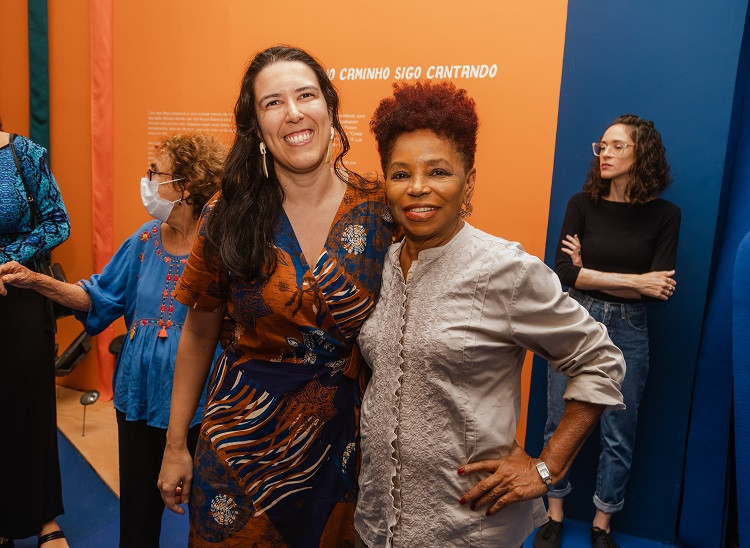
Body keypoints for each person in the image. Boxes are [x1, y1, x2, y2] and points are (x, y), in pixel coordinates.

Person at [353, 81, 627, 548]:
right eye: (400, 174)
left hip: (465, 526)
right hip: (377, 521)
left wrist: (547, 467)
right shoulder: (376, 264)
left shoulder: (505, 270)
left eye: (438, 171)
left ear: (469, 181)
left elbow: (599, 359)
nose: (417, 187)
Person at [157, 46, 396, 546]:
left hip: (342, 449)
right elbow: (198, 332)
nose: (293, 113)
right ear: (256, 126)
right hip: (239, 447)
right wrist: (176, 444)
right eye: (273, 102)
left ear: (329, 106)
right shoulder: (228, 212)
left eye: (305, 95)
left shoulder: (380, 209)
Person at [0, 133, 226, 547]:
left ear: (186, 186)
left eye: (155, 174)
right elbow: (97, 297)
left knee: (211, 522)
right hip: (137, 399)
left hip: (202, 409)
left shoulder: (221, 248)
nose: (147, 181)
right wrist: (34, 280)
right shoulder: (144, 240)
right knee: (136, 520)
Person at [534, 115, 681, 548]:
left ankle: (602, 524)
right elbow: (564, 274)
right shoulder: (582, 205)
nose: (605, 153)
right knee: (558, 422)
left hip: (629, 327)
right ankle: (553, 514)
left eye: (618, 146)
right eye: (602, 146)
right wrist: (636, 281)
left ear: (642, 154)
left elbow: (660, 291)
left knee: (619, 429)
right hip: (576, 318)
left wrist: (590, 272)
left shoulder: (665, 215)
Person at [0, 121, 70, 547]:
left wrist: (4, 260)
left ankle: (44, 517)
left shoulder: (23, 153)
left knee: (28, 405)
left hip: (21, 292)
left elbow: (58, 223)